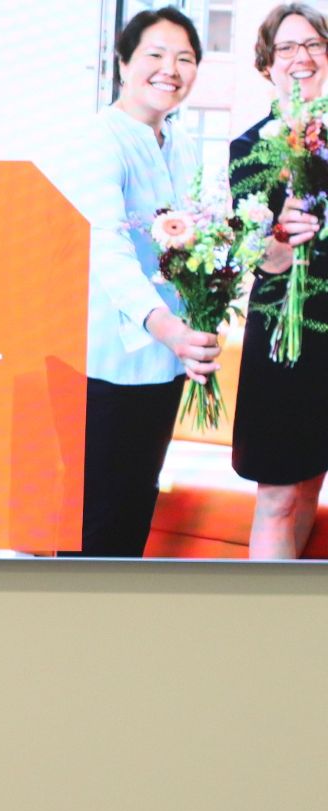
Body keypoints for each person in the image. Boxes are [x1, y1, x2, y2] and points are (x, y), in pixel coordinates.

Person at [69, 6, 216, 557]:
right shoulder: (99, 140)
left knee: (135, 507)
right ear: (123, 63)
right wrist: (169, 328)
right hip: (107, 361)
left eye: (184, 59)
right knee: (95, 521)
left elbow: (197, 241)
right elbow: (107, 251)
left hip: (165, 361)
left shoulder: (181, 142)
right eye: (155, 55)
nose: (170, 70)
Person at [231, 3, 328, 559]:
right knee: (278, 494)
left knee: (312, 478)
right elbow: (252, 258)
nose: (301, 58)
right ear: (268, 65)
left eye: (313, 44)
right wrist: (280, 246)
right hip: (281, 333)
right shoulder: (247, 150)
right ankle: (263, 634)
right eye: (287, 48)